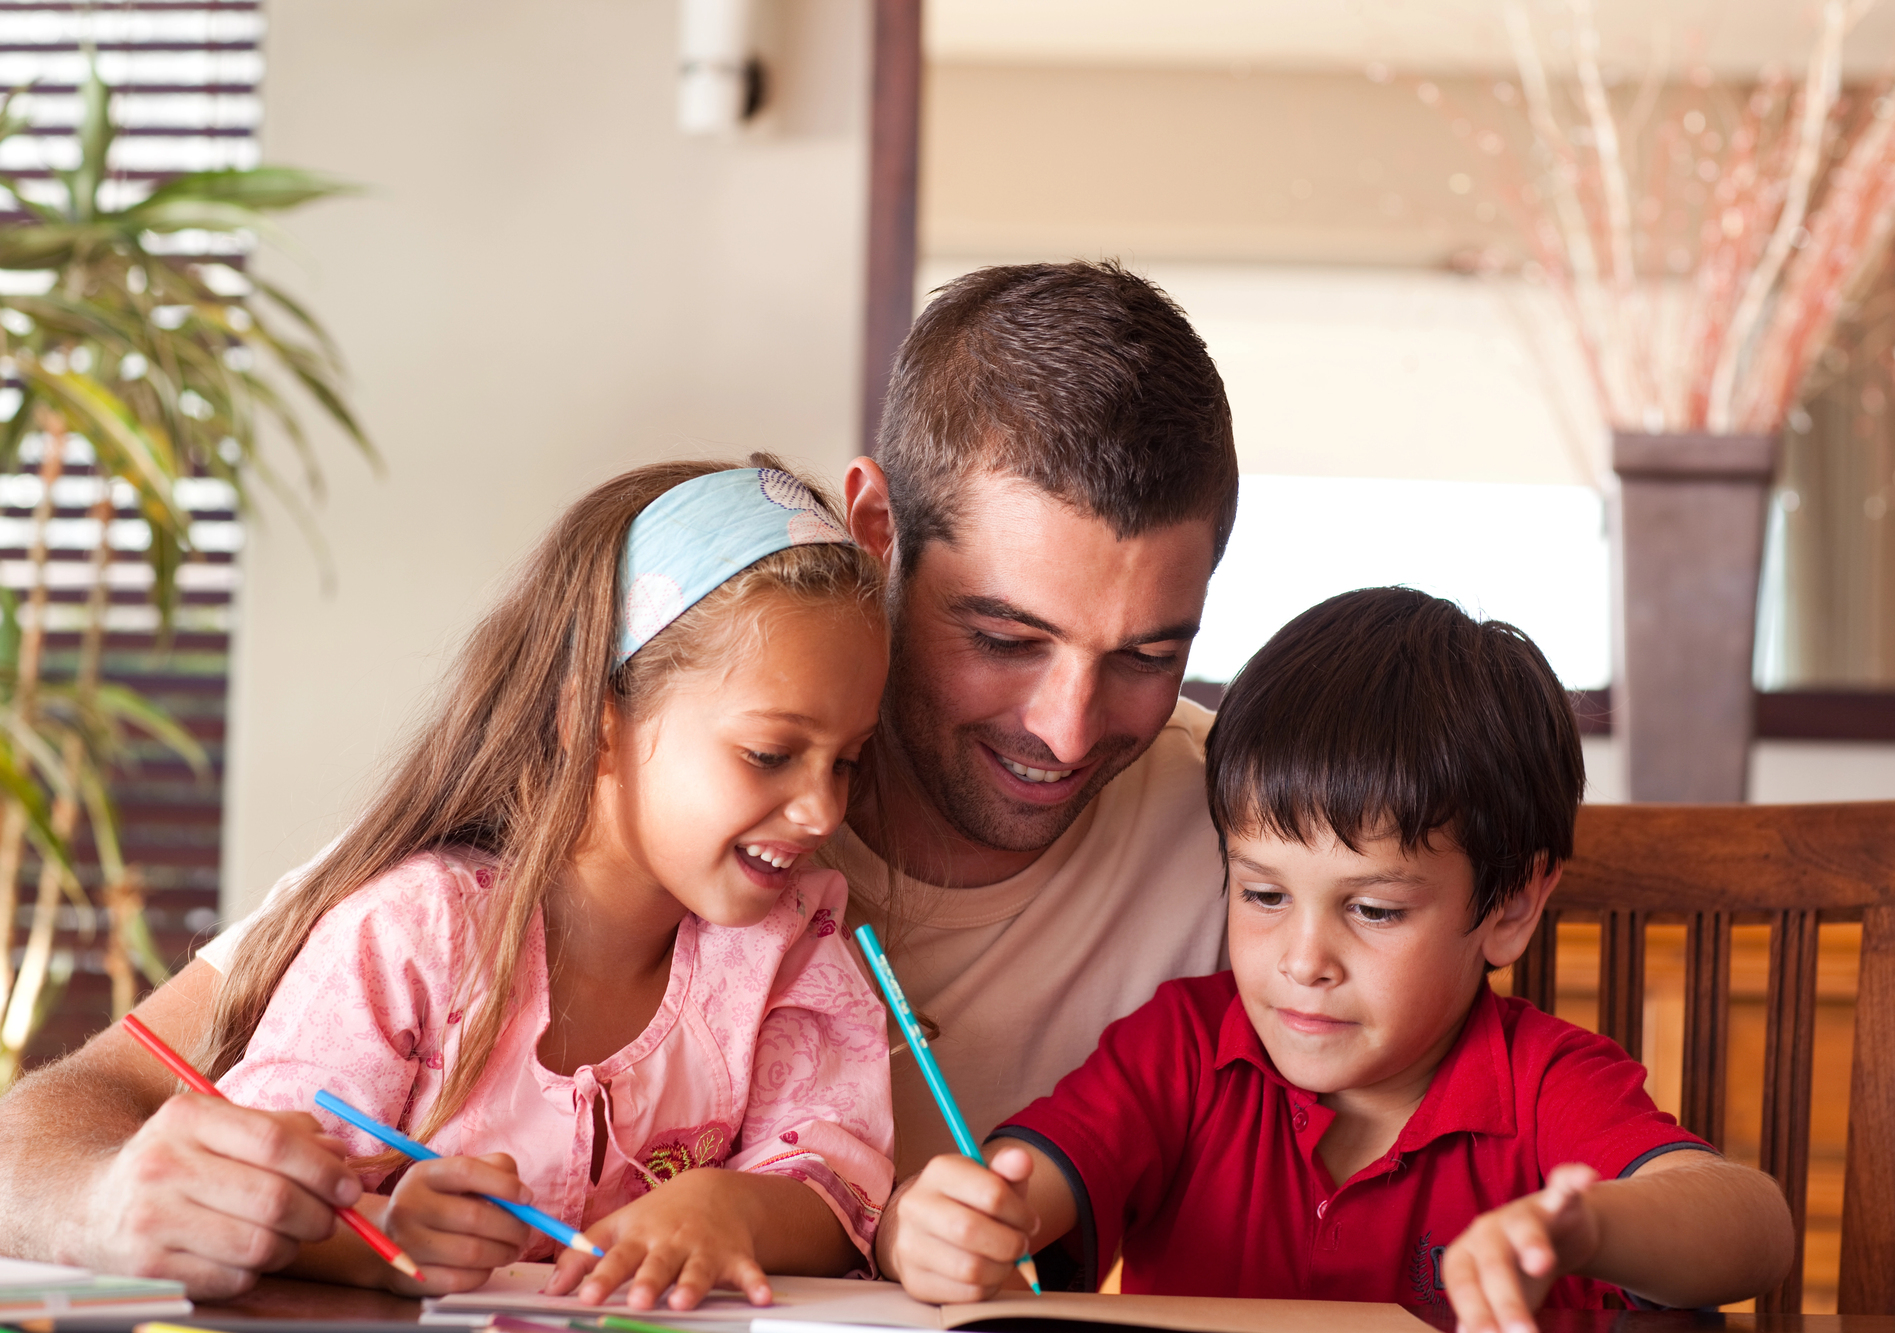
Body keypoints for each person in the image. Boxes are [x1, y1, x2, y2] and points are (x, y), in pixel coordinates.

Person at [0, 261, 1238, 1296]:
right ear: (875, 533)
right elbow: (47, 1132)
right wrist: (121, 1202)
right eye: (1003, 637)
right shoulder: (483, 872)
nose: (1068, 728)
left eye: (1145, 656)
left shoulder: (1251, 847)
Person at [885, 589, 1796, 1326]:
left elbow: (1752, 1226)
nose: (1304, 958)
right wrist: (952, 1222)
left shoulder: (1544, 1086)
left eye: (1372, 908)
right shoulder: (1183, 1052)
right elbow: (1022, 1185)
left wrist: (1588, 1226)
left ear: (1512, 906)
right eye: (1264, 894)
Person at [184, 460, 893, 1307]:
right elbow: (245, 1185)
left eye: (846, 761)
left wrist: (732, 1206)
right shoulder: (413, 935)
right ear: (593, 726)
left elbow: (839, 1186)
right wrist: (383, 1243)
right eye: (771, 754)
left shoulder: (789, 945)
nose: (822, 810)